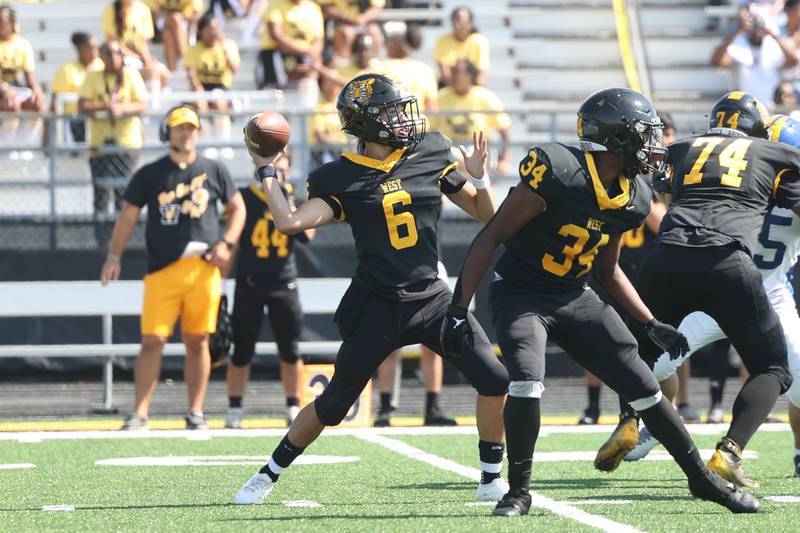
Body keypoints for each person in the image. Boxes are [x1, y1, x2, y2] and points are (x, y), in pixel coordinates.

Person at [441, 87, 759, 517]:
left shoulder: (635, 194)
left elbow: (606, 270)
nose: (655, 146)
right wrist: (459, 311)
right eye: (645, 135)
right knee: (526, 379)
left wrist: (649, 323)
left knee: (645, 387)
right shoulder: (559, 170)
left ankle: (702, 480)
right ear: (617, 138)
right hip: (523, 295)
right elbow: (491, 235)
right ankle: (518, 491)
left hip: (574, 294)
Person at [233, 74, 509, 506]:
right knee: (335, 404)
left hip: (432, 297)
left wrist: (481, 178)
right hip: (378, 302)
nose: (402, 119)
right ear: (366, 123)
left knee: (494, 378)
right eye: (391, 112)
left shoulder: (430, 152)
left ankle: (491, 478)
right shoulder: (339, 176)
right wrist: (267, 172)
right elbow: (289, 222)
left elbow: (484, 215)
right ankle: (267, 474)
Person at [596, 91, 800, 490]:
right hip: (745, 282)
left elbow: (648, 178)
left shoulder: (697, 154)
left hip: (689, 266)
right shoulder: (777, 169)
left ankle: (636, 418)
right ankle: (731, 449)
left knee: (643, 359)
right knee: (777, 370)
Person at [100, 104, 246, 431]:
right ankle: (140, 412)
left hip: (203, 269)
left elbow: (238, 209)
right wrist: (114, 256)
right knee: (153, 341)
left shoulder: (214, 169)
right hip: (163, 270)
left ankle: (196, 412)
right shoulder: (151, 173)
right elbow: (127, 217)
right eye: (180, 127)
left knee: (198, 341)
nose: (187, 133)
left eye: (191, 127)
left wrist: (226, 244)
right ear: (167, 132)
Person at [578, 112, 674, 426]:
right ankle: (594, 407)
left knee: (639, 345)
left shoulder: (646, 181)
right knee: (597, 341)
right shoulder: (628, 180)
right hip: (608, 266)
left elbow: (662, 226)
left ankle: (634, 413)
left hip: (636, 271)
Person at [225, 151, 315, 428]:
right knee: (241, 350)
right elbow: (235, 240)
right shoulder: (244, 198)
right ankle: (235, 408)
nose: (280, 176)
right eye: (275, 171)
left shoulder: (293, 200)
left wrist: (286, 200)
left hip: (283, 282)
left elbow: (307, 237)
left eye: (284, 171)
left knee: (290, 349)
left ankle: (292, 405)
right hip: (250, 282)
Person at [79, 40, 149, 248]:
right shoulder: (93, 76)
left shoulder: (131, 76)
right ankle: (101, 242)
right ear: (100, 55)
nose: (113, 56)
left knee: (124, 195)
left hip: (126, 144)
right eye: (108, 53)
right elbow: (82, 104)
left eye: (117, 52)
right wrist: (104, 106)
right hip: (100, 145)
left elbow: (143, 103)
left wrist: (122, 109)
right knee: (101, 193)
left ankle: (124, 242)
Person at [373, 259, 457, 428]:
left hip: (429, 267)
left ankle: (432, 409)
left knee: (432, 346)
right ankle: (384, 409)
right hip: (395, 268)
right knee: (389, 343)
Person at [432, 59, 511, 175]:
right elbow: (430, 127)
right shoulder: (441, 96)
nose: (453, 76)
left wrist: (505, 160)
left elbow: (504, 130)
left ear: (470, 76)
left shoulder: (485, 96)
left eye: (457, 72)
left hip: (478, 148)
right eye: (452, 72)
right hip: (450, 147)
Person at [710, 5, 798, 106]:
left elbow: (793, 61)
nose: (756, 30)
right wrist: (740, 30)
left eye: (759, 23)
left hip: (771, 106)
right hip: (745, 107)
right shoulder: (738, 45)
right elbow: (716, 62)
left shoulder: (773, 45)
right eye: (753, 24)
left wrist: (772, 34)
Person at [183, 12, 240, 155]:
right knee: (200, 99)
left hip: (222, 88)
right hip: (201, 88)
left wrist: (224, 48)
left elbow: (234, 69)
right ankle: (208, 138)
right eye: (209, 28)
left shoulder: (228, 45)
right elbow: (192, 76)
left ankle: (223, 141)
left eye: (215, 28)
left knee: (218, 98)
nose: (213, 32)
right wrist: (200, 94)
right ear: (201, 31)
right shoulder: (194, 49)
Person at [256, 0, 324, 108]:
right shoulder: (275, 4)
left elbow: (318, 40)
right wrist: (304, 51)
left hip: (305, 56)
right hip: (276, 53)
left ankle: (307, 112)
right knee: (275, 88)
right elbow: (276, 35)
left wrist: (311, 56)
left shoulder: (313, 8)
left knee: (312, 70)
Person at [0, 4, 45, 158]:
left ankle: (25, 146)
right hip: (3, 90)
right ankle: (7, 147)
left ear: (11, 23)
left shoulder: (22, 44)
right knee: (11, 104)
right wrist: (5, 89)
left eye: (2, 21)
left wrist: (37, 90)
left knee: (35, 104)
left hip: (14, 87)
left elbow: (29, 74)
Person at [102, 0, 168, 97]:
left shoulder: (143, 9)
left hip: (137, 55)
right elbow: (113, 43)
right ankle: (152, 105)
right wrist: (138, 57)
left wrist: (147, 59)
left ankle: (148, 100)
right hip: (120, 56)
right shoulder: (110, 10)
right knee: (152, 72)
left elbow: (143, 43)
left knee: (164, 73)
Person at [50, 32, 103, 145]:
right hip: (74, 120)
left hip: (98, 119)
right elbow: (55, 103)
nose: (95, 52)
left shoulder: (102, 67)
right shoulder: (67, 70)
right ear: (80, 50)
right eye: (90, 48)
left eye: (96, 48)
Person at [381, 21, 438, 113]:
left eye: (390, 39)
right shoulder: (425, 70)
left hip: (391, 124)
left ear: (398, 43)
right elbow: (431, 107)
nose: (386, 43)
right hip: (419, 124)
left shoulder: (380, 67)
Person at [434, 6, 489, 87]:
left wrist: (471, 94)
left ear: (470, 23)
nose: (456, 23)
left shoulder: (480, 41)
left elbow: (481, 74)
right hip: (449, 88)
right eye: (454, 19)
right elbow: (445, 73)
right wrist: (456, 94)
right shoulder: (443, 41)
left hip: (473, 88)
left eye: (459, 19)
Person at [318, 0, 384, 61]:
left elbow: (377, 7)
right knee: (346, 33)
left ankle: (371, 66)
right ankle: (346, 67)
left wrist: (363, 18)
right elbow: (327, 8)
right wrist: (348, 18)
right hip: (340, 23)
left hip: (365, 23)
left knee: (374, 31)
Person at [308, 70, 348, 166]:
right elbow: (320, 136)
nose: (332, 85)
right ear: (322, 85)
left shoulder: (345, 106)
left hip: (346, 150)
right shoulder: (318, 108)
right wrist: (339, 145)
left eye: (335, 82)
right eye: (328, 81)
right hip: (326, 151)